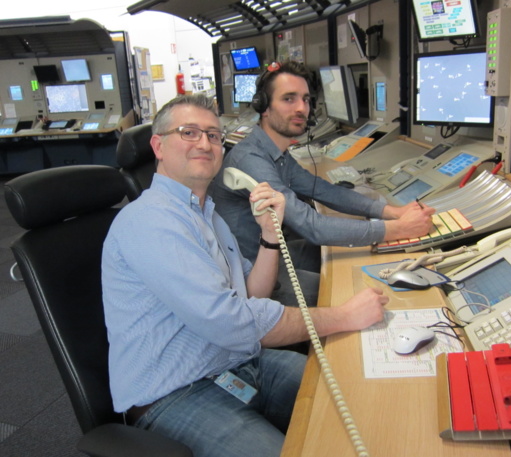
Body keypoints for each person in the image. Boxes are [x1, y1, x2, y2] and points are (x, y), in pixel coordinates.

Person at [101, 94, 388, 457]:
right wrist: (345, 316)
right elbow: (233, 323)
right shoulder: (151, 221)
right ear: (158, 145)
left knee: (361, 396)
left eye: (213, 135)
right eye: (189, 133)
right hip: (176, 392)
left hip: (236, 362)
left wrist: (270, 235)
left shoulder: (207, 216)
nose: (204, 143)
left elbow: (252, 295)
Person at [209, 61, 436, 303]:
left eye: (305, 100)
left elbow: (321, 189)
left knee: (347, 260)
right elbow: (312, 226)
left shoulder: (276, 153)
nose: (301, 108)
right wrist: (398, 229)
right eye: (289, 99)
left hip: (272, 253)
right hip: (251, 273)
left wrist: (391, 212)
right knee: (351, 291)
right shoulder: (251, 159)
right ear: (264, 106)